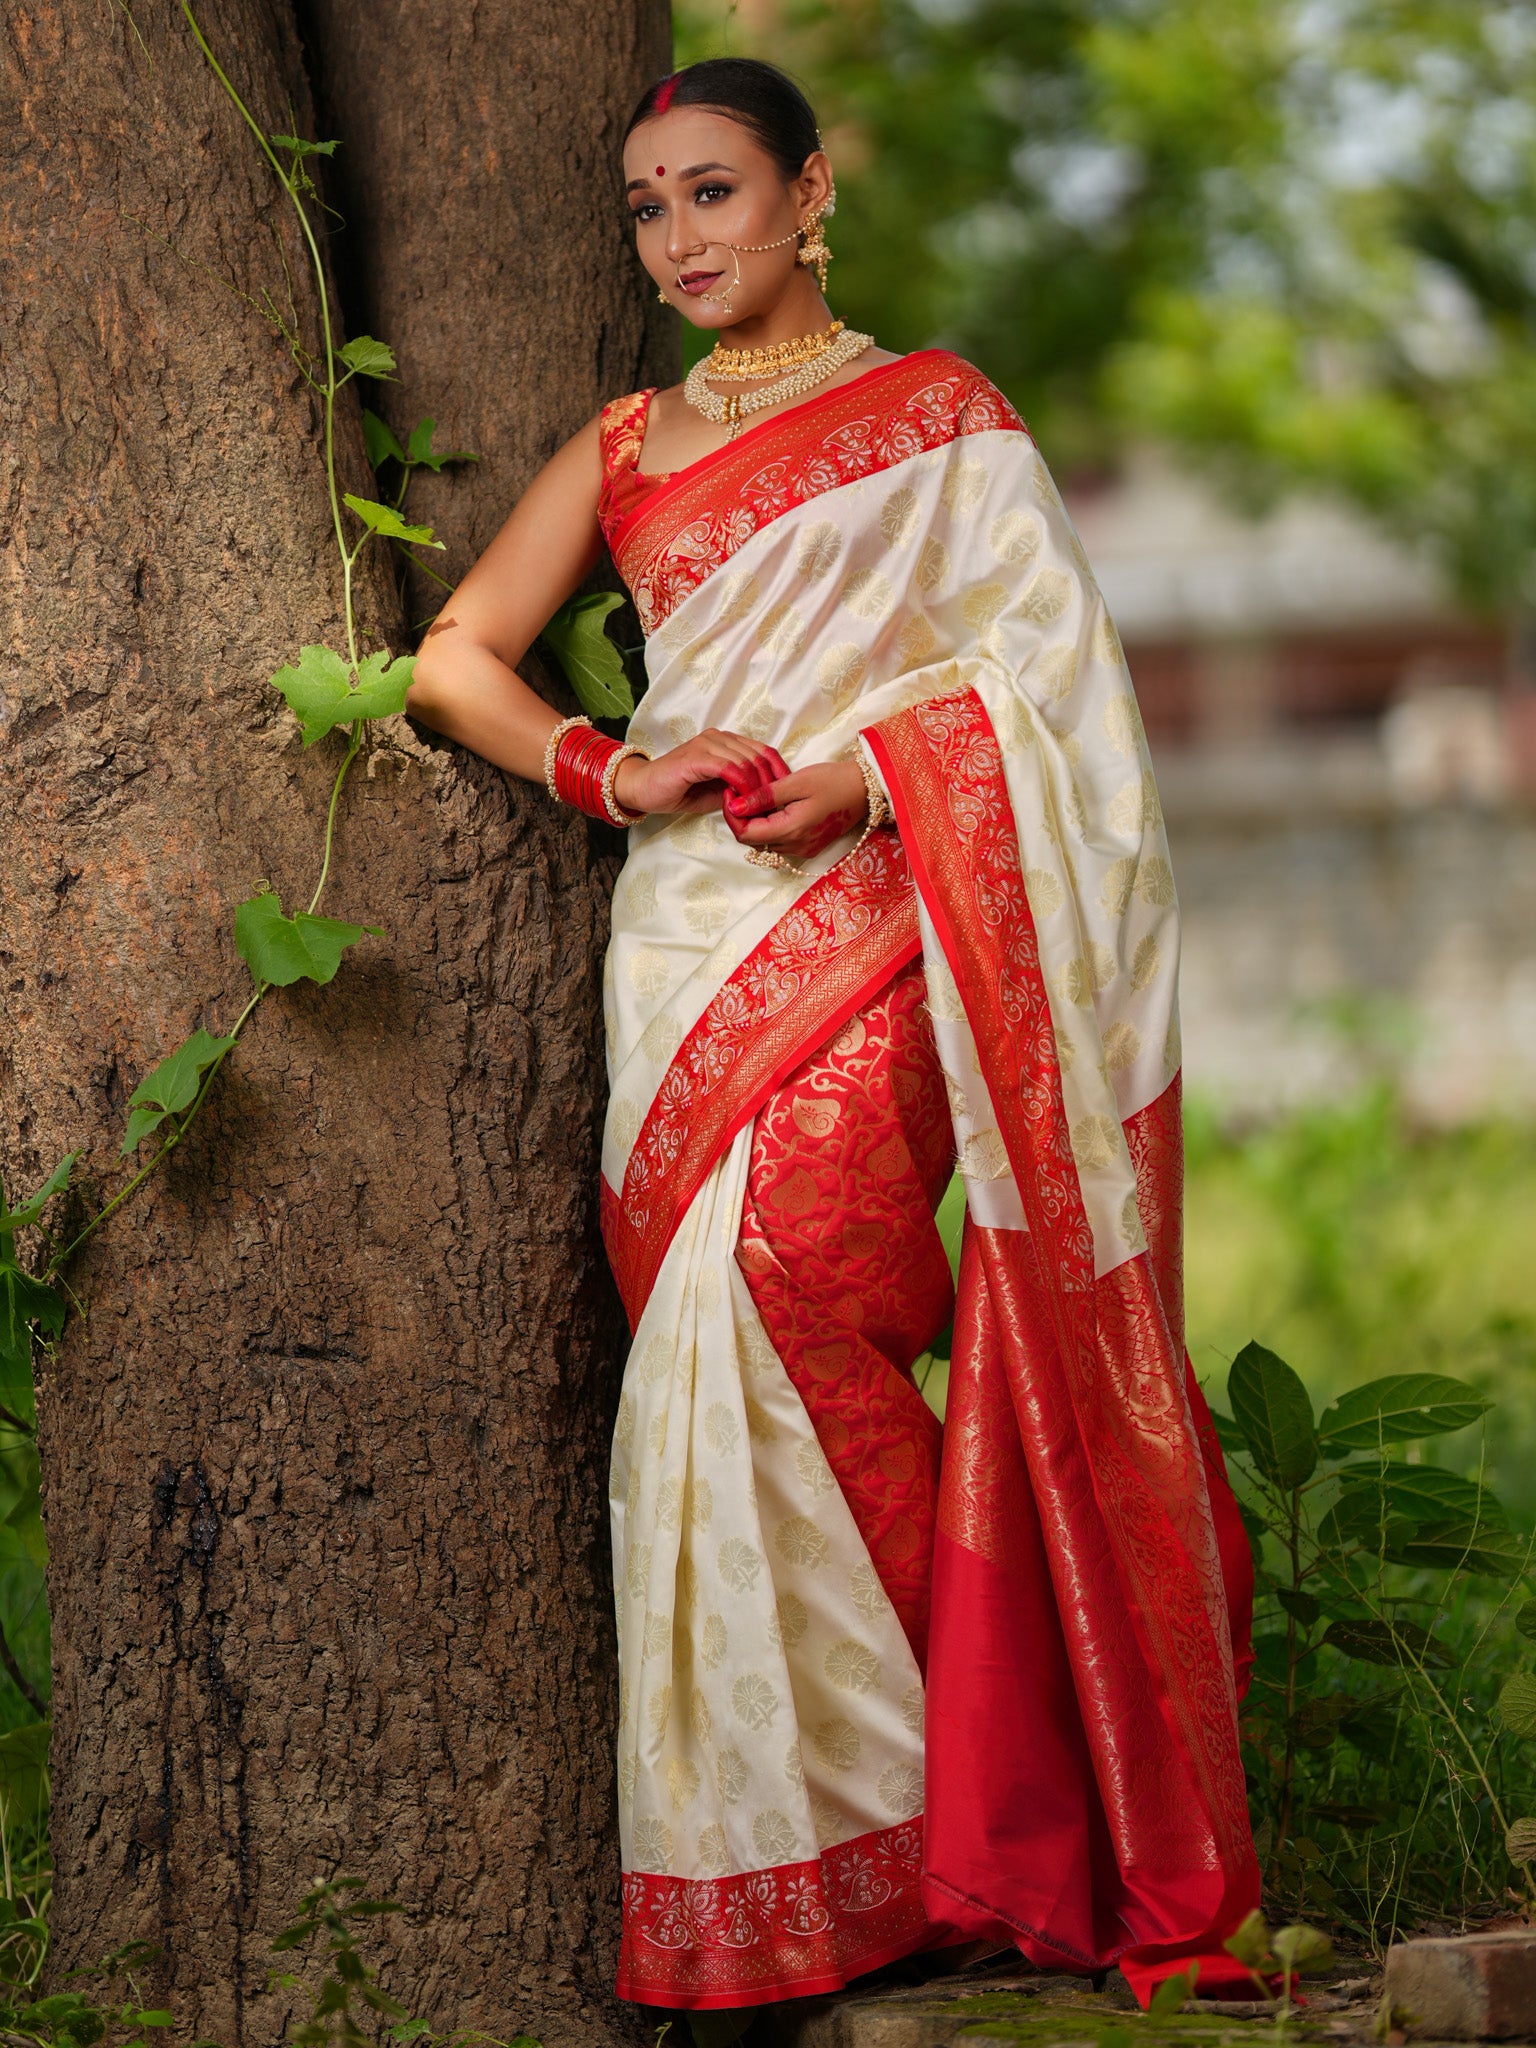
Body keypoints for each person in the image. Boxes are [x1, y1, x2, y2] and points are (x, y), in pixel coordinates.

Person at [405, 55, 1262, 2048]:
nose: (680, 237)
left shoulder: (943, 422)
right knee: (698, 1364)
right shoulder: (620, 446)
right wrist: (613, 767)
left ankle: (973, 1827)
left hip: (881, 935)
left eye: (714, 192)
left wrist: (882, 775)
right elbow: (460, 654)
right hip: (684, 944)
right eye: (647, 207)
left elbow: (1062, 705)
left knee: (777, 1299)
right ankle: (845, 1862)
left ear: (809, 201)